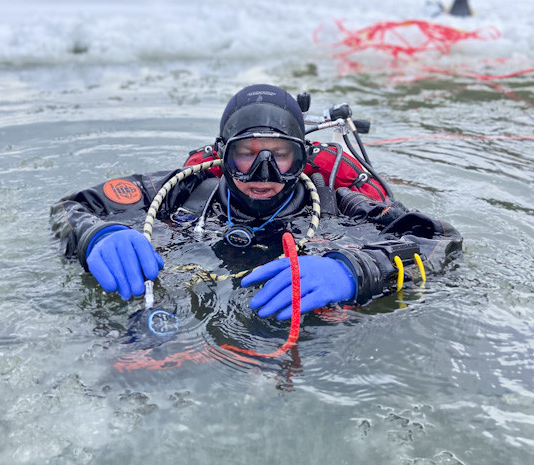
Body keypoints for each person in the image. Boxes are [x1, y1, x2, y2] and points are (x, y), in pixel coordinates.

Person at [51, 84, 462, 321]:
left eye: (280, 156)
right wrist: (98, 235)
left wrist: (355, 270)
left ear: (302, 156)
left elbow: (443, 241)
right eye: (247, 155)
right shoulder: (186, 192)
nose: (263, 174)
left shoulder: (339, 205)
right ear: (221, 156)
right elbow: (70, 208)